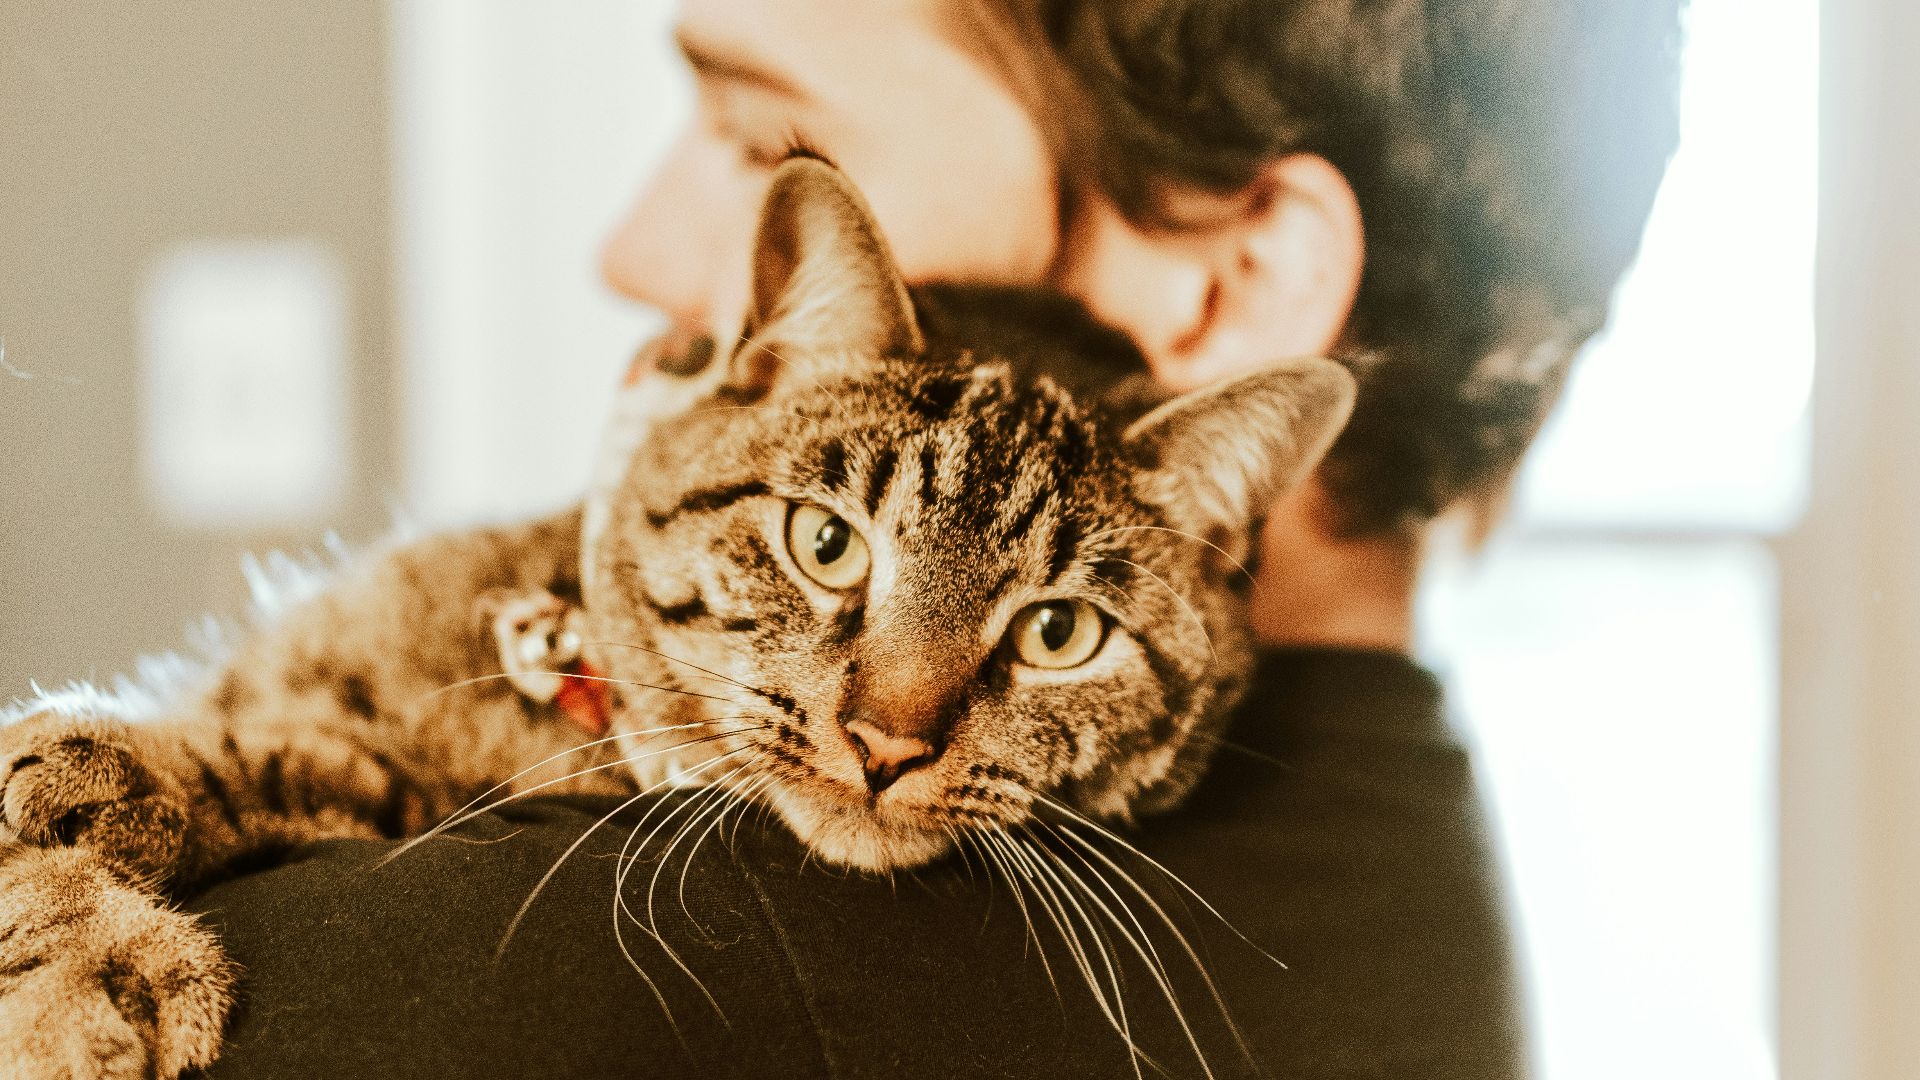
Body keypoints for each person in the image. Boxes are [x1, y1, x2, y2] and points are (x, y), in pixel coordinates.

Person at [187, 1, 1681, 1076]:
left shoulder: (597, 965)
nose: (634, 251)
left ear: (1236, 288)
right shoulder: (1409, 876)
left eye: (761, 134)